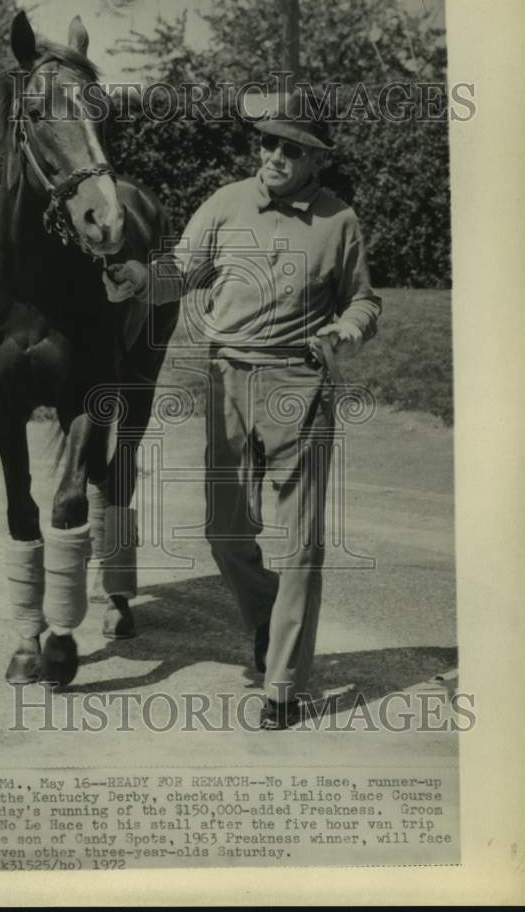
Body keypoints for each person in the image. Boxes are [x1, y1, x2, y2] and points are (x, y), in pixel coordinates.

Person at [102, 88, 382, 729]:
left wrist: (346, 333)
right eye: (268, 142)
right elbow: (178, 271)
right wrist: (140, 280)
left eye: (291, 147)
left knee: (301, 542)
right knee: (225, 533)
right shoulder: (226, 204)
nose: (275, 154)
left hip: (299, 386)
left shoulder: (340, 222)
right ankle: (264, 620)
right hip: (225, 379)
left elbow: (365, 301)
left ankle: (283, 686)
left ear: (316, 160)